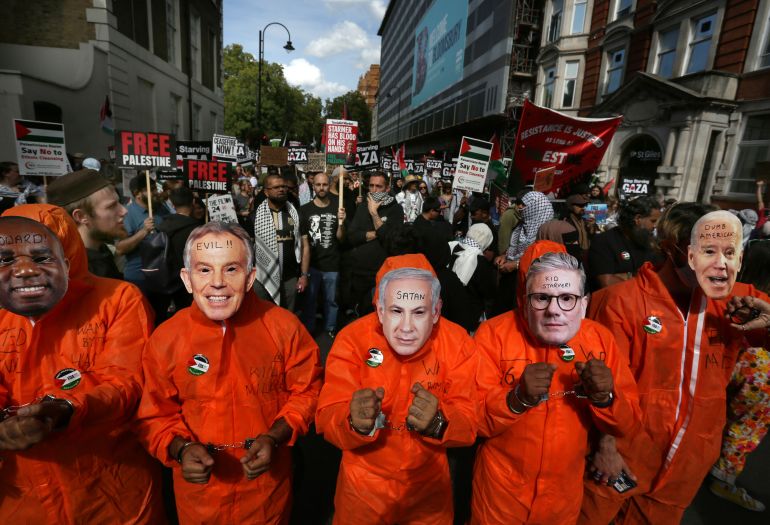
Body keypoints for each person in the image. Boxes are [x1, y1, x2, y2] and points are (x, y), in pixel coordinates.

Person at [579, 206, 770, 525]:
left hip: (685, 465)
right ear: (672, 246)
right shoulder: (620, 302)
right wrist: (606, 446)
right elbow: (600, 382)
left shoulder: (737, 301)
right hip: (622, 457)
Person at [135, 221, 322, 524]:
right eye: (204, 270)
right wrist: (180, 449)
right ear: (186, 278)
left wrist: (275, 437)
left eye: (231, 269)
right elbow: (153, 414)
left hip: (266, 493)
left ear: (250, 278)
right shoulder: (166, 338)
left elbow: (308, 391)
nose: (218, 282)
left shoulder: (284, 327)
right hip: (200, 498)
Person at [0, 205, 164, 523]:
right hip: (24, 495)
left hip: (110, 490)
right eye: (8, 258)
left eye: (40, 256)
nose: (23, 270)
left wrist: (67, 409)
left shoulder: (118, 300)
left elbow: (125, 382)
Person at [473, 246, 640, 524]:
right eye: (541, 296)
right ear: (524, 295)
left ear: (583, 302)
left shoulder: (599, 340)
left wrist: (605, 399)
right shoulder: (493, 335)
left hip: (563, 495)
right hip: (500, 492)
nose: (553, 309)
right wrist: (516, 399)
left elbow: (629, 422)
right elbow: (472, 421)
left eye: (567, 297)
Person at [316, 254, 478, 524]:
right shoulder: (353, 340)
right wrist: (352, 422)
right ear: (379, 309)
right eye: (395, 311)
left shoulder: (457, 343)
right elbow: (326, 416)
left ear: (436, 311)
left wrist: (439, 424)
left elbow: (471, 420)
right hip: (363, 493)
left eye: (419, 312)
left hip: (428, 495)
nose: (406, 328)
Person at [708, 239, 770, 511]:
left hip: (728, 358)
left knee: (719, 414)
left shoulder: (725, 287)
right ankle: (723, 478)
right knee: (747, 425)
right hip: (760, 364)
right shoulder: (762, 300)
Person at [46, 168, 127, 279]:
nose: (124, 211)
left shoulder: (100, 249)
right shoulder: (72, 273)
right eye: (111, 206)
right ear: (81, 216)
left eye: (119, 203)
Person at [347, 171, 405, 315]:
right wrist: (377, 233)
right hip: (360, 271)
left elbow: (392, 239)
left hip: (382, 272)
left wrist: (374, 213)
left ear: (386, 188)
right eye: (371, 186)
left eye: (378, 186)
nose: (374, 190)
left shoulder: (395, 209)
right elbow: (352, 236)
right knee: (361, 313)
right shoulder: (362, 207)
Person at [299, 172, 346, 337]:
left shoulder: (337, 207)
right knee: (310, 300)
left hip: (332, 263)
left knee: (331, 300)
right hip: (312, 264)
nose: (321, 188)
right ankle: (309, 329)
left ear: (329, 185)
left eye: (324, 184)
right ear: (313, 186)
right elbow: (303, 243)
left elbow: (341, 238)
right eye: (318, 185)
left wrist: (341, 223)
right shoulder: (304, 210)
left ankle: (330, 328)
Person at [587, 195, 661, 290]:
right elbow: (607, 282)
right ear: (638, 219)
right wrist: (640, 278)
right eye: (653, 221)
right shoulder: (604, 241)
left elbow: (657, 276)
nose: (655, 226)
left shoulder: (648, 244)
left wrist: (627, 276)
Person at [252, 173, 303, 310]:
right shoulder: (256, 217)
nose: (281, 189)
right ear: (266, 192)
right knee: (263, 316)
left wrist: (303, 275)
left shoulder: (294, 213)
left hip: (290, 277)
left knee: (287, 317)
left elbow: (304, 245)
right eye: (276, 187)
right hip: (262, 278)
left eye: (283, 186)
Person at [116, 174, 171, 294]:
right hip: (138, 278)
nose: (156, 192)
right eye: (151, 189)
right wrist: (144, 231)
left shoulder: (161, 208)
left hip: (161, 276)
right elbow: (120, 249)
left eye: (155, 188)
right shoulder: (127, 214)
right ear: (137, 194)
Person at [154, 187, 200, 318]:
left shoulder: (162, 226)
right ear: (193, 203)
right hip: (188, 282)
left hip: (166, 278)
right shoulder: (196, 230)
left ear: (173, 205)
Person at [450, 223, 496, 325]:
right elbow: (488, 292)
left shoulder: (454, 248)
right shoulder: (481, 262)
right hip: (469, 314)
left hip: (448, 307)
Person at [563, 193, 594, 258]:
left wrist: (591, 226)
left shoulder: (584, 219)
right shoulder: (567, 222)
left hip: (586, 254)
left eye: (585, 205)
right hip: (574, 256)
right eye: (580, 205)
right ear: (571, 206)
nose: (583, 208)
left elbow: (590, 236)